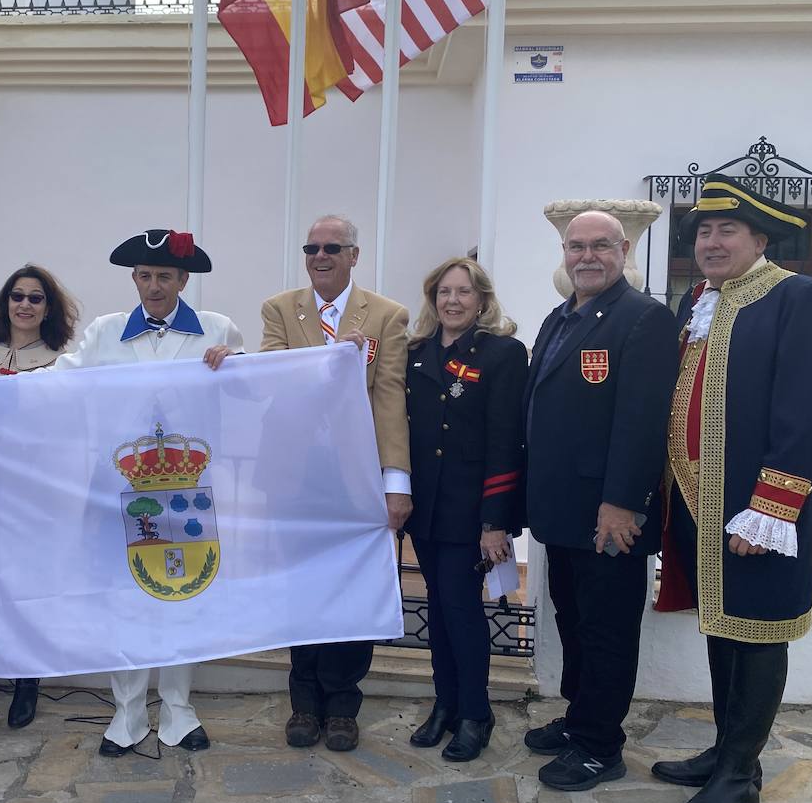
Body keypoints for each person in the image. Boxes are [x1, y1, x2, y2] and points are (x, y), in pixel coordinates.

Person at [650, 179, 812, 803]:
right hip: (693, 499)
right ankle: (728, 749)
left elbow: (807, 406)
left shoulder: (798, 297)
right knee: (722, 626)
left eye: (726, 230)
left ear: (761, 239)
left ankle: (740, 776)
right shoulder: (696, 300)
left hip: (753, 510)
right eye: (703, 231)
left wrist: (774, 505)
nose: (711, 241)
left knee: (757, 634)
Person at [50, 229, 241, 757]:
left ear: (183, 279)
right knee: (124, 594)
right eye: (145, 276)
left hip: (187, 490)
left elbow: (255, 389)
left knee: (183, 592)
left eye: (164, 276)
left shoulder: (217, 329)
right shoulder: (105, 332)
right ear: (134, 279)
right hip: (119, 487)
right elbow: (58, 384)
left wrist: (236, 367)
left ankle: (179, 707)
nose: (154, 286)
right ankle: (128, 709)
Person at [523, 210, 679, 791]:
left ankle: (600, 746)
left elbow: (642, 423)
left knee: (608, 629)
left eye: (600, 246)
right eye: (575, 246)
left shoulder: (644, 319)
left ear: (623, 252)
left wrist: (621, 503)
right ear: (564, 252)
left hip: (607, 514)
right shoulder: (559, 317)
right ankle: (579, 716)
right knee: (573, 619)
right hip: (561, 510)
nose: (587, 256)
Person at [260, 214, 412, 754]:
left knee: (352, 588)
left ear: (354, 255)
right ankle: (304, 702)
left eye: (332, 247)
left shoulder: (388, 316)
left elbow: (390, 395)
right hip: (297, 478)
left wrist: (396, 482)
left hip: (358, 479)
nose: (320, 256)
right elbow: (273, 372)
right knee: (301, 587)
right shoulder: (280, 309)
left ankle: (343, 703)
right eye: (311, 247)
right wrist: (331, 359)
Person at [403, 258, 526, 762]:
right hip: (426, 508)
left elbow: (507, 442)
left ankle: (476, 712)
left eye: (464, 292)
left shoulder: (502, 353)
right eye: (444, 292)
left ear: (482, 300)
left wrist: (494, 520)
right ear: (433, 298)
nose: (453, 301)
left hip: (471, 511)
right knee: (440, 607)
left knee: (462, 610)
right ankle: (446, 703)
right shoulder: (415, 353)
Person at [0, 264, 80, 732]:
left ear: (49, 309)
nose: (24, 305)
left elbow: (67, 430)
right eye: (17, 296)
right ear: (5, 302)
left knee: (27, 586)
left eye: (36, 298)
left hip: (31, 493)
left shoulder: (61, 362)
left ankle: (28, 680)